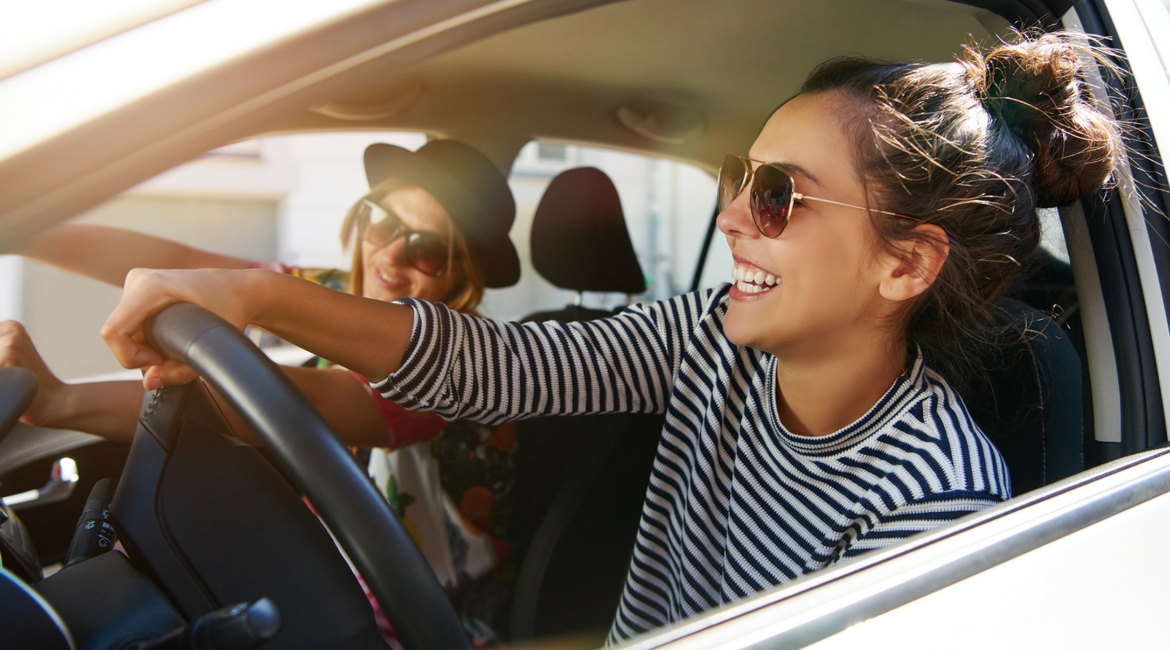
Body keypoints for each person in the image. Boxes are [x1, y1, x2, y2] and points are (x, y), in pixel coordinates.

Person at [97, 32, 1123, 643]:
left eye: (779, 195)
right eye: (736, 175)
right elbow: (497, 367)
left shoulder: (936, 489)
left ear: (905, 264)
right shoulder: (709, 341)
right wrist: (249, 294)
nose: (731, 217)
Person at [6, 139, 524, 644]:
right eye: (382, 222)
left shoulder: (462, 361)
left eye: (427, 249)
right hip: (330, 577)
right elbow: (186, 265)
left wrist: (62, 400)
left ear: (463, 276)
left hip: (423, 621)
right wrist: (27, 228)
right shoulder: (335, 291)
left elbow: (309, 403)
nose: (389, 256)